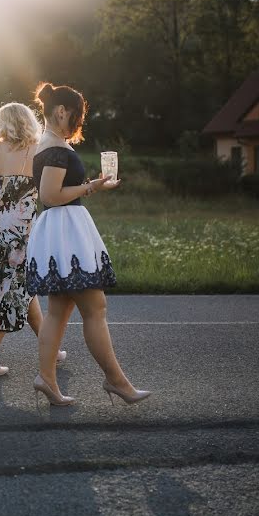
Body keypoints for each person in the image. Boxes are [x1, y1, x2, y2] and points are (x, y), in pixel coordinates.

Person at [26, 82, 151, 406]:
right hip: (65, 230)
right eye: (77, 117)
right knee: (95, 308)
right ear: (62, 111)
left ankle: (47, 379)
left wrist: (91, 185)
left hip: (59, 230)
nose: (78, 124)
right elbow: (50, 196)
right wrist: (88, 188)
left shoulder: (50, 144)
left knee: (59, 310)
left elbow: (53, 193)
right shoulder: (54, 148)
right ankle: (116, 381)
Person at [0, 102, 67, 376]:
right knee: (10, 291)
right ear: (28, 121)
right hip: (22, 232)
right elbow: (52, 189)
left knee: (22, 288)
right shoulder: (38, 152)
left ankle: (52, 349)